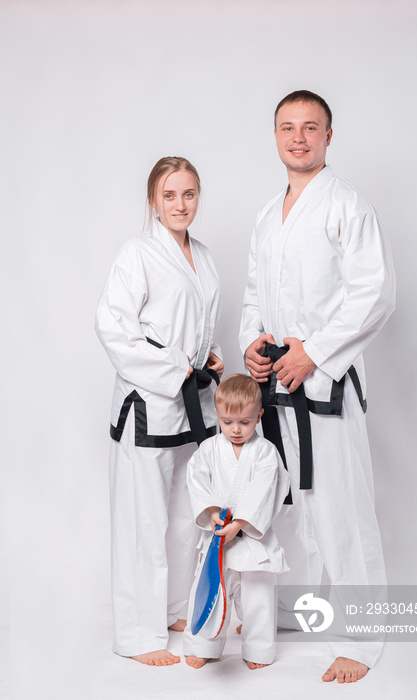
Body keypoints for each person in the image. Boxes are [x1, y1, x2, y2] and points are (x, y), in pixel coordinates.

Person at [239, 90, 396, 683]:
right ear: (275, 135)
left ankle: (361, 638)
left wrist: (315, 352)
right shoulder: (265, 213)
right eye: (287, 127)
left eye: (311, 127)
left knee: (341, 507)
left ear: (330, 136)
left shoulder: (346, 205)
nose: (298, 137)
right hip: (278, 382)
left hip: (324, 383)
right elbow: (256, 293)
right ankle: (296, 613)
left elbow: (374, 293)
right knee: (285, 505)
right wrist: (255, 342)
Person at [95, 156, 223, 667]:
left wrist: (205, 357)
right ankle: (137, 634)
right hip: (148, 403)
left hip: (192, 406)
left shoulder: (205, 256)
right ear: (153, 200)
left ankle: (172, 608)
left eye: (188, 194)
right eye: (169, 196)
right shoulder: (137, 253)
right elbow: (114, 329)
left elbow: (196, 322)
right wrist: (174, 371)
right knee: (141, 521)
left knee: (182, 517)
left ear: (198, 197)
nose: (179, 204)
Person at [183, 374, 290, 669]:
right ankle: (203, 645)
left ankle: (257, 650)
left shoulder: (266, 453)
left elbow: (265, 489)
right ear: (217, 414)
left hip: (252, 539)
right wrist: (213, 511)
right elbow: (196, 481)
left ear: (259, 415)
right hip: (218, 536)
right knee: (209, 591)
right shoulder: (208, 450)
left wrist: (240, 522)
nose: (236, 429)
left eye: (245, 422)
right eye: (228, 422)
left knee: (259, 597)